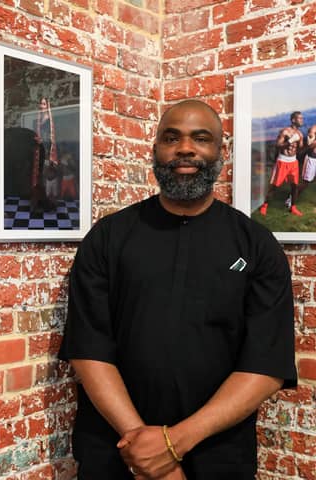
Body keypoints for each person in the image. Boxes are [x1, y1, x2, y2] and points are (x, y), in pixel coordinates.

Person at [59, 100, 296, 479]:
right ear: (155, 150)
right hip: (116, 450)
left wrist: (173, 444)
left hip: (218, 454)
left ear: (222, 151)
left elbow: (265, 365)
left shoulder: (257, 245)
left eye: (200, 139)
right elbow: (89, 349)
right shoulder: (108, 237)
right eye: (171, 138)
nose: (185, 148)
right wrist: (145, 449)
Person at [259, 111, 304, 216]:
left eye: (302, 118)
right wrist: (290, 141)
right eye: (300, 118)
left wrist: (308, 144)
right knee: (275, 186)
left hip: (293, 162)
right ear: (293, 120)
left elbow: (300, 150)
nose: (302, 120)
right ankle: (264, 205)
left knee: (294, 186)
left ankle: (293, 207)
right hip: (283, 161)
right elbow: (278, 145)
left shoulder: (300, 134)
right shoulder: (285, 131)